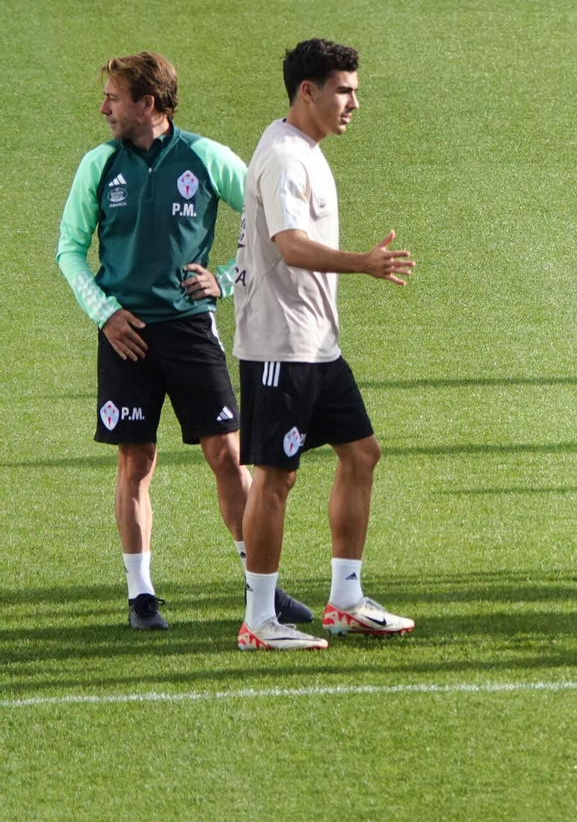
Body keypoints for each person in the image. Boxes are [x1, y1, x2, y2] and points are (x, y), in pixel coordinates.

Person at [55, 52, 312, 631]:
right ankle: (141, 596)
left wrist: (225, 278)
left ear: (148, 104)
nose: (103, 109)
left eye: (113, 98)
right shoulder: (99, 165)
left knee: (227, 455)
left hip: (191, 329)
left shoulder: (207, 157)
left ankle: (262, 588)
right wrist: (104, 313)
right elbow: (69, 249)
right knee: (135, 461)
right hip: (125, 334)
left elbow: (272, 224)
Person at [233, 39, 416, 651]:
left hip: (315, 344)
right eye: (344, 91)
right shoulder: (285, 156)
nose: (354, 103)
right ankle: (260, 619)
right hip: (279, 346)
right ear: (307, 91)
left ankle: (345, 600)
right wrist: (361, 263)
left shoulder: (303, 148)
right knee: (275, 477)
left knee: (361, 453)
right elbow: (288, 245)